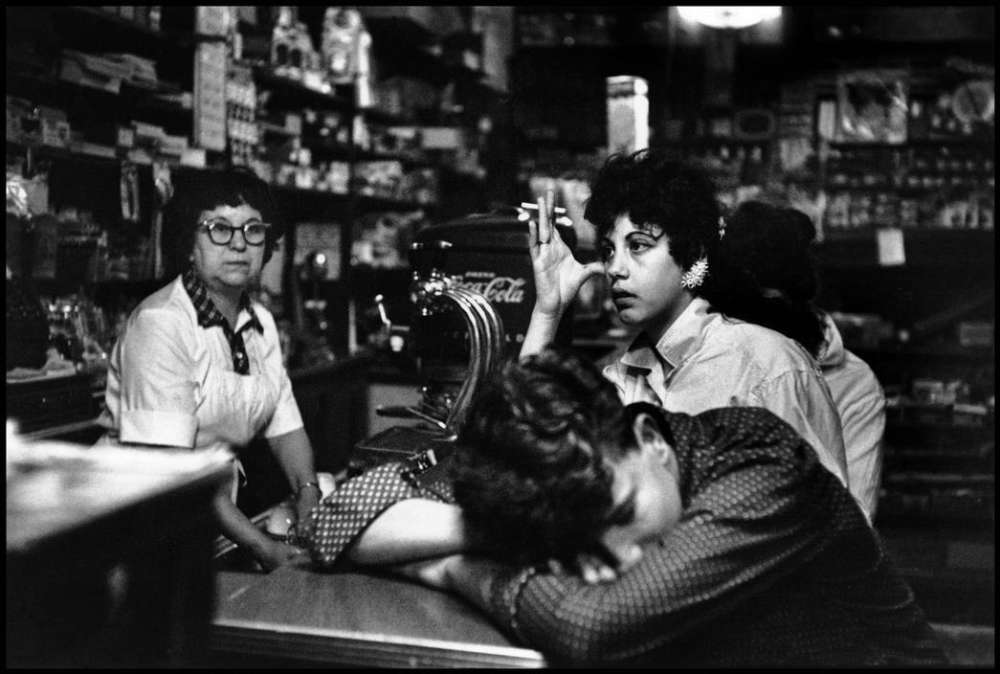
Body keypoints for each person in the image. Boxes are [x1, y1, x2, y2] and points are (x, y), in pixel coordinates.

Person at [304, 347, 946, 666]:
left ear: (648, 440)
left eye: (618, 518)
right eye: (581, 539)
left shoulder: (764, 469)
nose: (612, 563)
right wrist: (502, 528)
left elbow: (591, 625)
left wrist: (449, 565)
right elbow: (336, 520)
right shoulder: (582, 472)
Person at [520, 150, 851, 502]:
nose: (615, 268)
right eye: (608, 250)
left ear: (693, 256)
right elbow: (525, 453)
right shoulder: (621, 380)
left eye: (638, 246)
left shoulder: (767, 365)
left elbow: (833, 522)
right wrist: (547, 310)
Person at [97, 168, 320, 571]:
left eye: (253, 229)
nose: (238, 243)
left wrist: (309, 493)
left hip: (208, 523)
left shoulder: (262, 324)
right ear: (188, 242)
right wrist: (264, 548)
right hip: (136, 530)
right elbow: (176, 471)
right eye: (219, 228)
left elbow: (286, 428)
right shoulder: (161, 324)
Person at [703, 200, 886, 516]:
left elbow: (856, 525)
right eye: (738, 311)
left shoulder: (853, 383)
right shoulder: (708, 354)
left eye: (766, 307)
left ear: (797, 301)